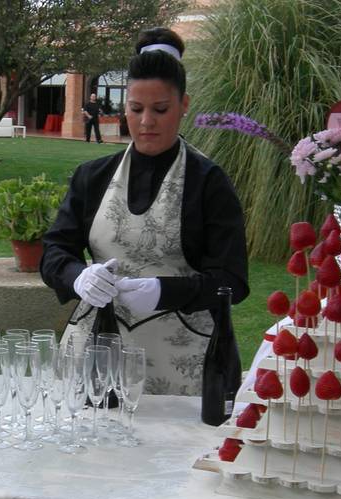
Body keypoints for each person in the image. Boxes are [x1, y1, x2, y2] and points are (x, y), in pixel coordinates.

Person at [40, 27, 249, 396]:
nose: (146, 122)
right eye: (136, 109)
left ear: (184, 105)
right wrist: (77, 276)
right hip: (94, 357)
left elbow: (232, 280)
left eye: (161, 109)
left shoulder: (208, 182)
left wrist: (163, 291)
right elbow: (55, 251)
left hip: (184, 367)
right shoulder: (93, 177)